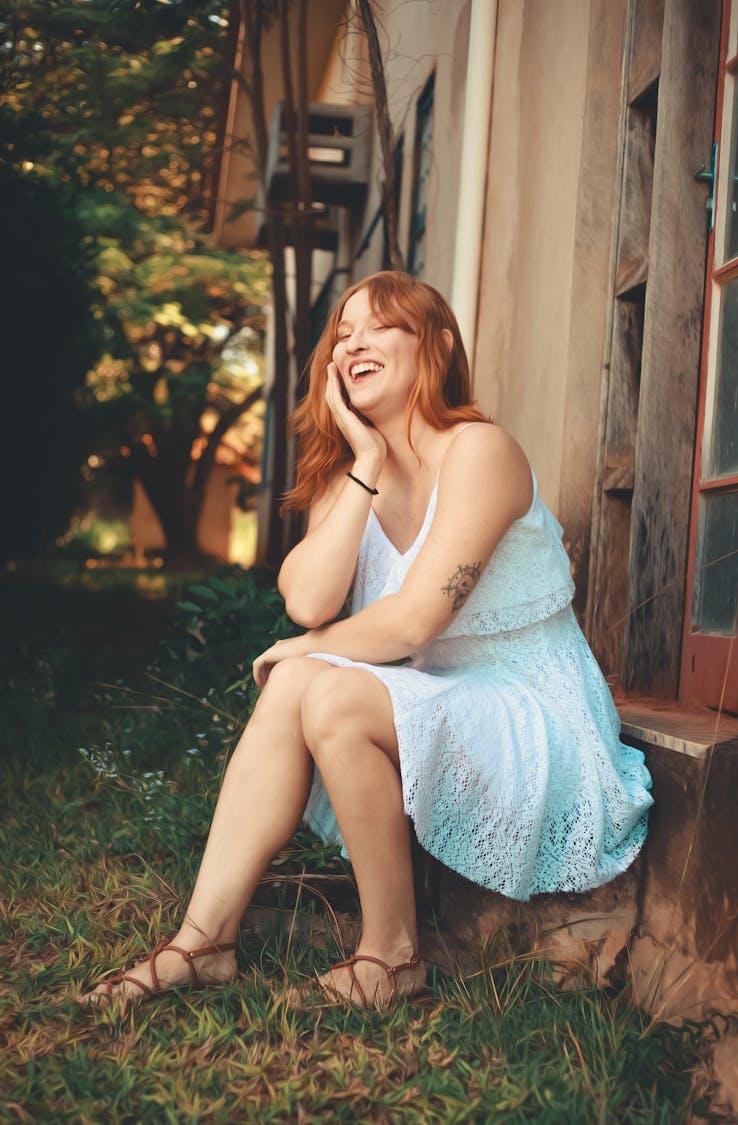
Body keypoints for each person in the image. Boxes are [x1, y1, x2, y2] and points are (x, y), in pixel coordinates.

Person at [82, 270, 653, 1008]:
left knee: (326, 688)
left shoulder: (480, 450)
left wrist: (304, 648)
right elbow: (307, 599)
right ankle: (202, 941)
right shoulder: (352, 476)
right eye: (342, 334)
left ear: (437, 346)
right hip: (440, 698)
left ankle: (392, 956)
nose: (353, 344)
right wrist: (366, 463)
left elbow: (417, 621)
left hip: (532, 711)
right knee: (301, 683)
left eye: (379, 327)